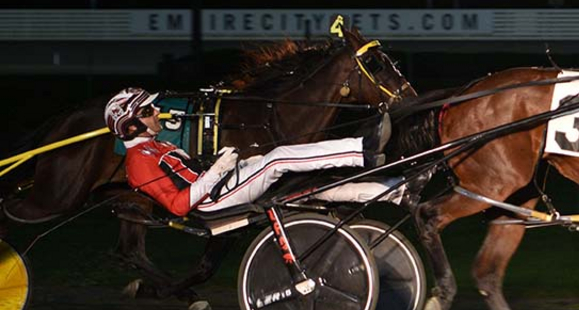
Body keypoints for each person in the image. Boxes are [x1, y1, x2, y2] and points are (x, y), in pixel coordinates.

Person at [104, 87, 404, 217]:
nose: (156, 110)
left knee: (310, 188)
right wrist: (216, 173)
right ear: (131, 128)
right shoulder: (138, 162)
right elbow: (178, 206)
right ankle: (361, 150)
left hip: (222, 185)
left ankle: (395, 190)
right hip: (213, 201)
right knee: (279, 158)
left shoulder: (155, 145)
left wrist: (233, 163)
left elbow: (191, 172)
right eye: (146, 110)